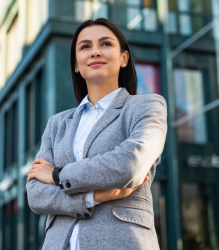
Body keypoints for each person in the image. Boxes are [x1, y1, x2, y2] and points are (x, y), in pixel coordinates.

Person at [26, 18, 167, 250]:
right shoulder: (57, 123)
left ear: (124, 58)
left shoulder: (147, 106)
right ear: (76, 64)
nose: (95, 52)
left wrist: (58, 175)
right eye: (85, 47)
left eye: (105, 44)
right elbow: (36, 195)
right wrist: (93, 197)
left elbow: (130, 164)